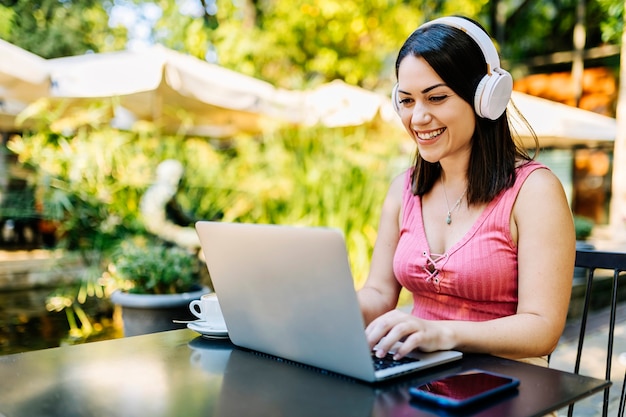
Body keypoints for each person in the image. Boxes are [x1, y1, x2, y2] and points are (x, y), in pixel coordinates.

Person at [357, 15, 575, 366]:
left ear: (486, 98)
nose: (418, 118)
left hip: (506, 390)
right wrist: (325, 308)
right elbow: (379, 294)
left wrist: (441, 332)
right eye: (407, 101)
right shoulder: (404, 188)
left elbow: (543, 328)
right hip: (415, 383)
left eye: (436, 97)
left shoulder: (534, 191)